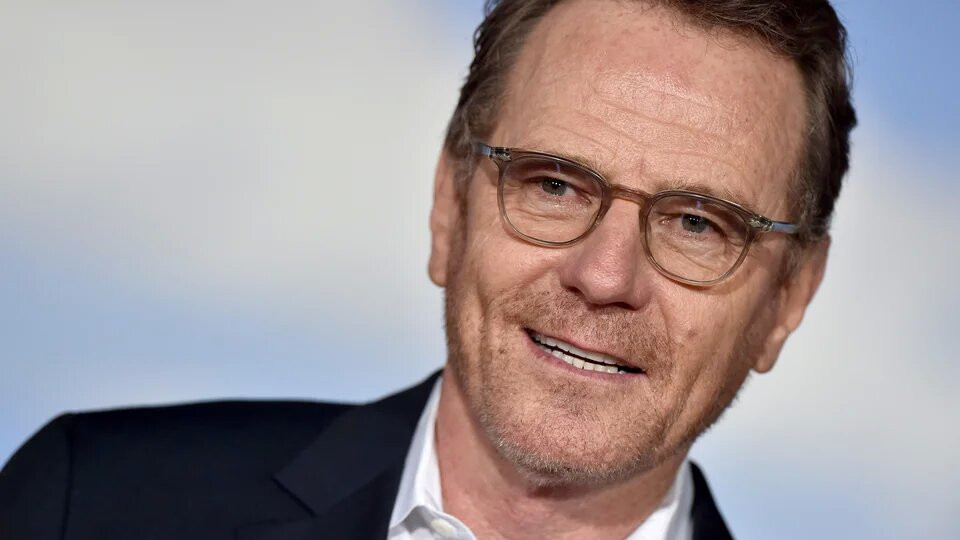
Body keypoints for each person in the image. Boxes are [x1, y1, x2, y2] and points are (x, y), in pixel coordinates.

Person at [0, 0, 856, 538]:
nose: (604, 277)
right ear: (450, 205)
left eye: (699, 224)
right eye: (554, 184)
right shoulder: (92, 504)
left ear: (788, 299)